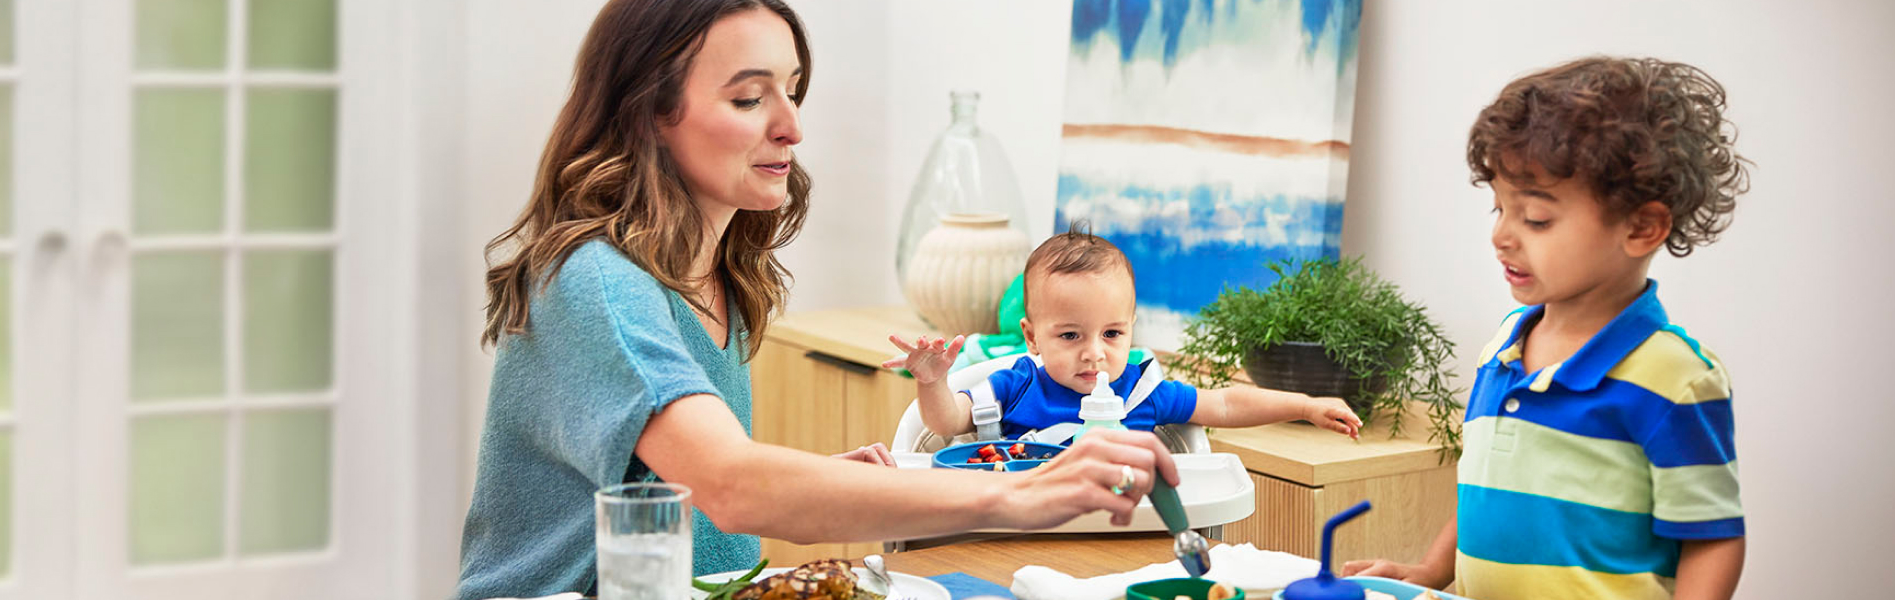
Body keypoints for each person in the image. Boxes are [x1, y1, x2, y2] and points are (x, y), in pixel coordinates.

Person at [453, 1, 1182, 598]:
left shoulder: (718, 280)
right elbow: (731, 486)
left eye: (791, 89)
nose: (792, 127)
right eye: (748, 97)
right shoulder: (598, 282)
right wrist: (1017, 497)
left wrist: (820, 479)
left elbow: (693, 486)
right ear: (649, 112)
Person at [1339, 56, 1751, 599]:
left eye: (1535, 219)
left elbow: (1712, 538)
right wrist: (1430, 571)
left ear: (1643, 226)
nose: (1502, 236)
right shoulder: (1503, 347)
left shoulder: (1674, 378)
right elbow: (1489, 492)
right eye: (1499, 210)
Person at [886, 232, 1362, 453]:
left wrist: (1304, 405)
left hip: (1121, 537)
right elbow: (946, 421)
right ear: (1031, 336)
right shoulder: (1016, 385)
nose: (1095, 352)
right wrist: (932, 382)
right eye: (1070, 336)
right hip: (1022, 536)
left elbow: (1227, 405)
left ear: (1132, 328)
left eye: (1112, 334)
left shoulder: (1141, 391)